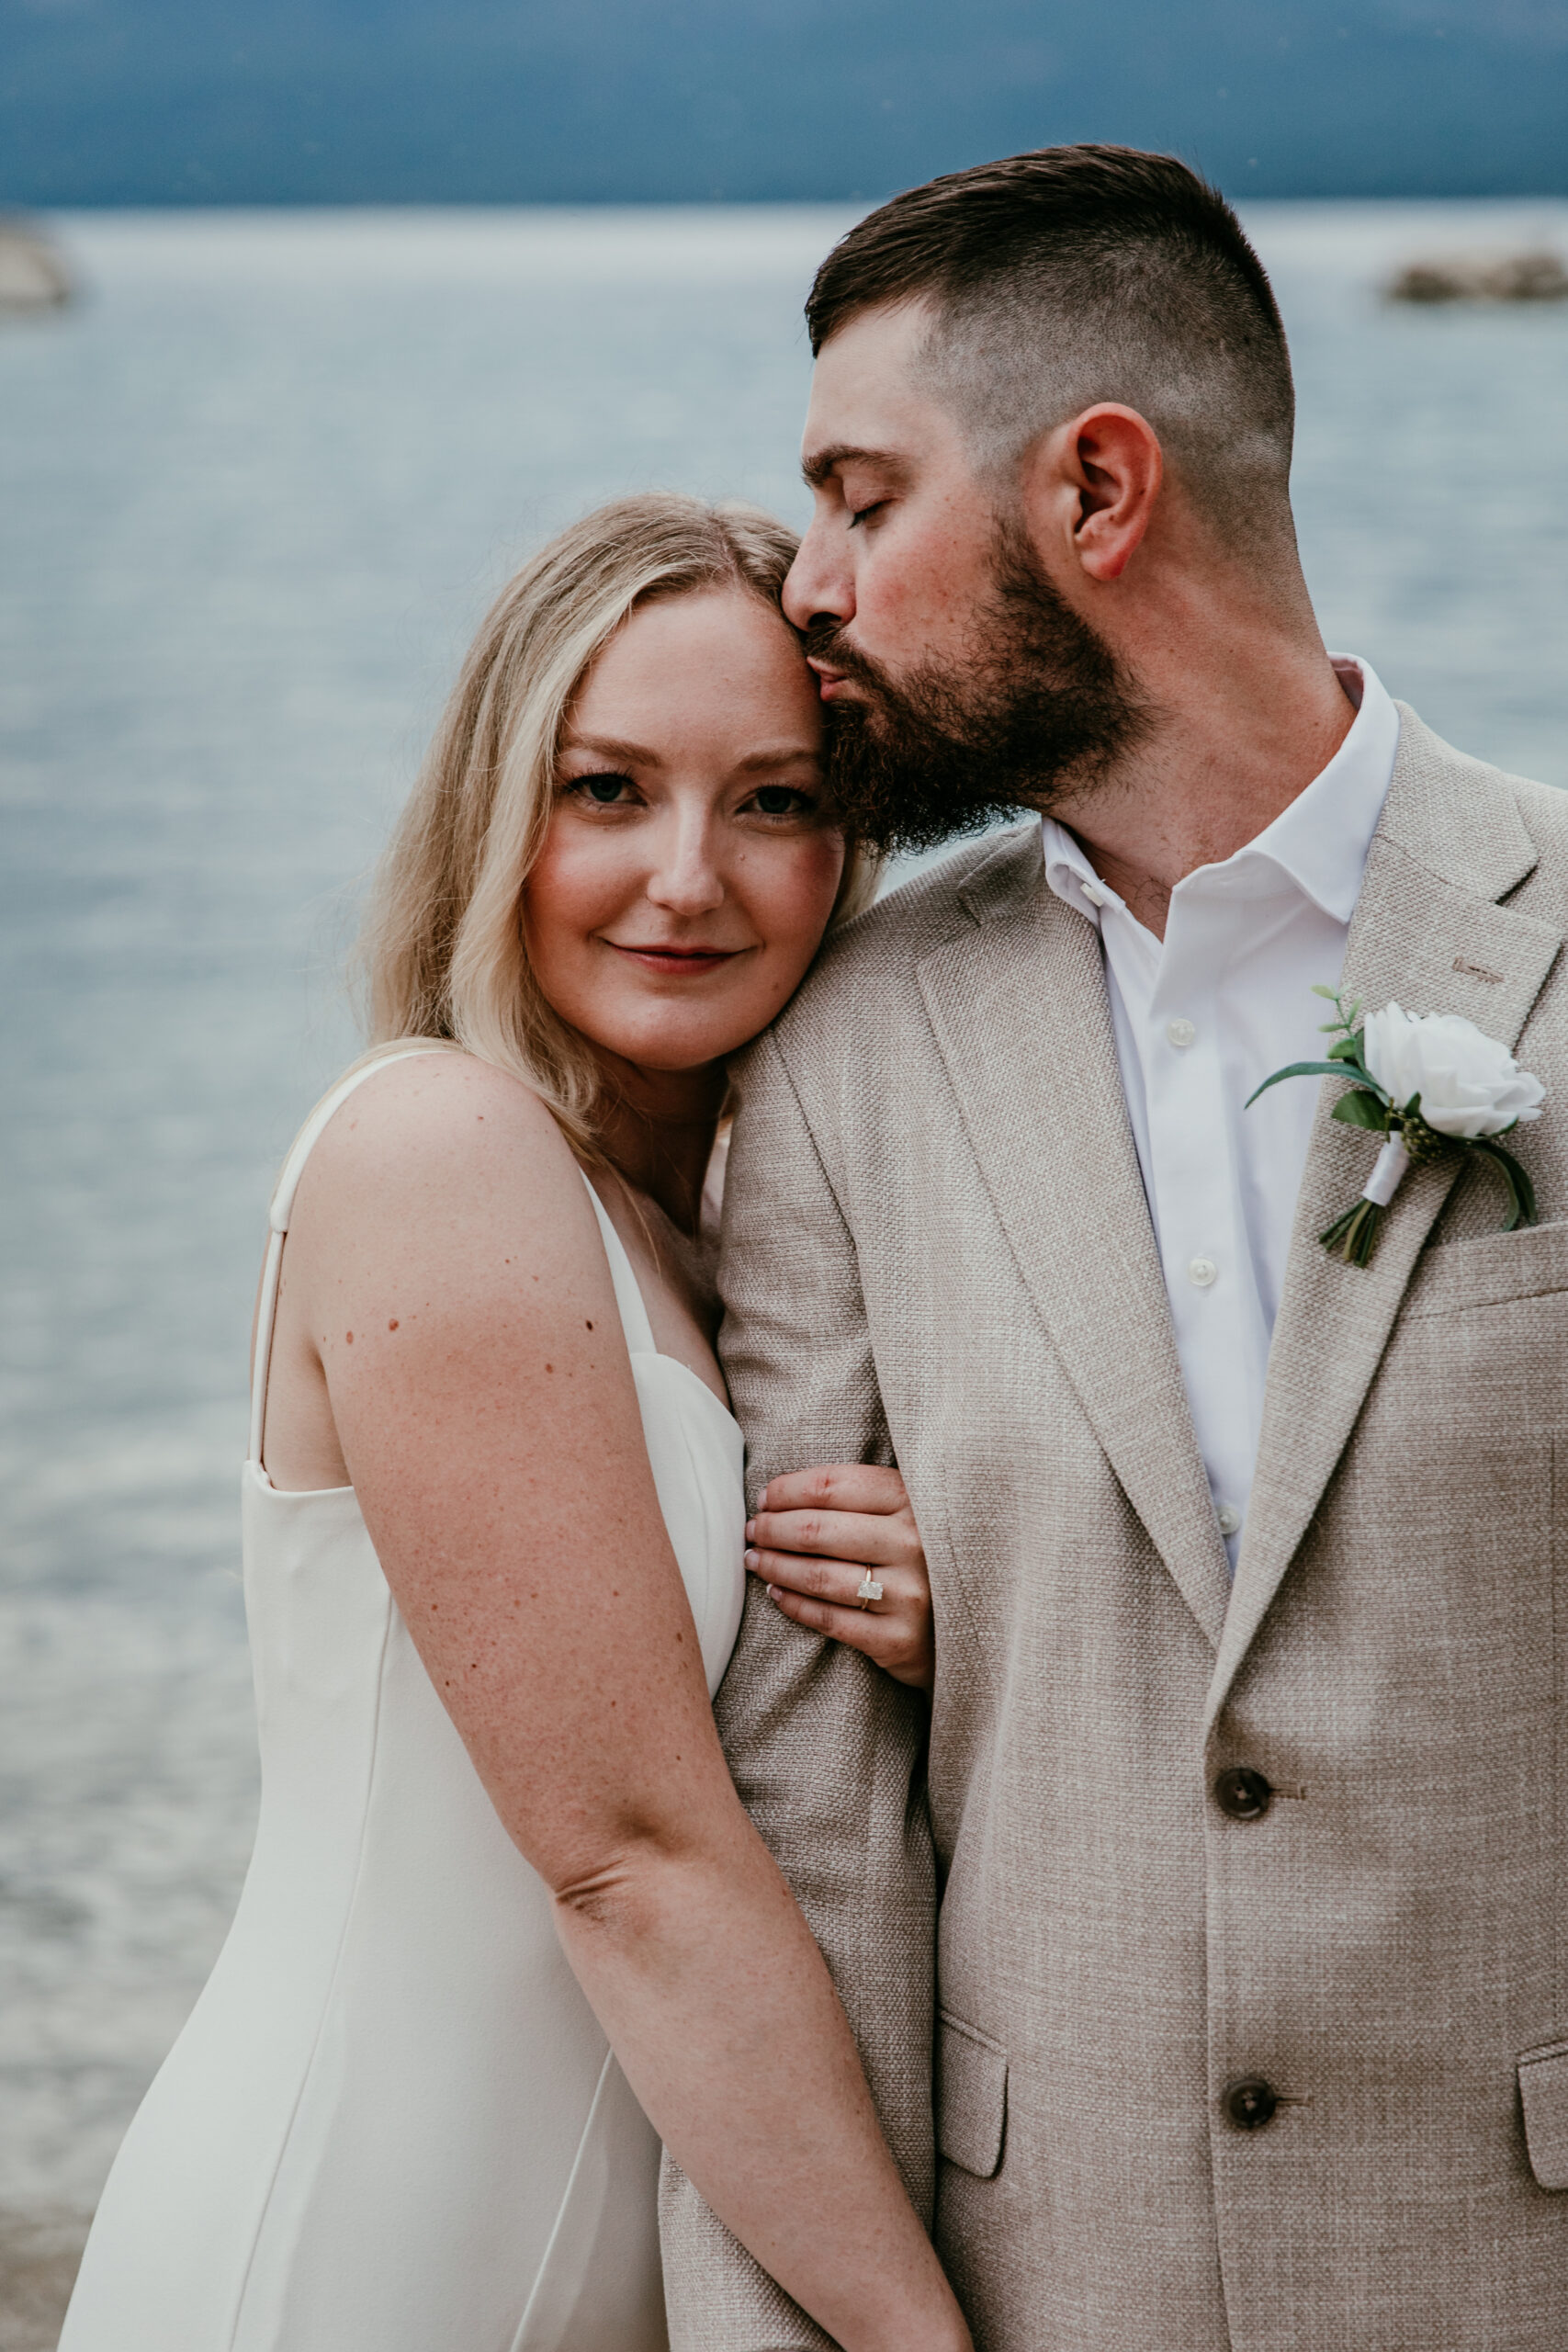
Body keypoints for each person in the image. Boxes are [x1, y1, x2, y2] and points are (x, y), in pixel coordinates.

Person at [660, 147, 1568, 2351]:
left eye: (861, 499)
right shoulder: (847, 1041)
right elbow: (808, 1799)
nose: (807, 589)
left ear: (1093, 489)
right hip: (1046, 2276)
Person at [60, 494, 970, 2352]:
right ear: (494, 813)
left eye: (774, 800)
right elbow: (628, 1856)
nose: (687, 878)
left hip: (627, 2263)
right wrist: (914, 2332)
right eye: (605, 789)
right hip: (360, 2250)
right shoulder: (441, 1151)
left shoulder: (708, 1240)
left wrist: (953, 1611)